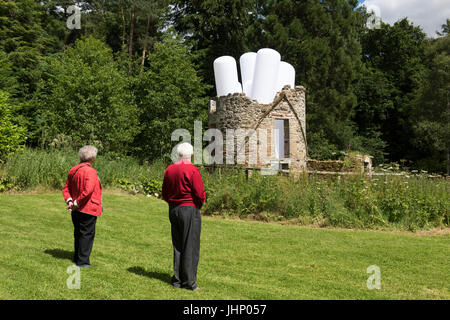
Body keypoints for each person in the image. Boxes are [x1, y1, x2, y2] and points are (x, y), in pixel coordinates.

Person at [162, 142, 206, 291]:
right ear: (191, 155)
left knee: (178, 244)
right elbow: (199, 193)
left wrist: (172, 203)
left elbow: (165, 192)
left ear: (178, 154)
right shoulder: (192, 170)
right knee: (190, 245)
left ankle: (178, 280)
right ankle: (189, 282)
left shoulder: (170, 169)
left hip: (174, 208)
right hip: (188, 208)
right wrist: (199, 204)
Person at [62, 145, 102, 268]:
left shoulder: (73, 169)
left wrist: (70, 201)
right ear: (92, 158)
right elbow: (88, 190)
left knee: (79, 233)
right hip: (87, 208)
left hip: (77, 208)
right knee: (86, 234)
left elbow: (66, 188)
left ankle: (78, 257)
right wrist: (75, 203)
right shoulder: (90, 171)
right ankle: (83, 261)